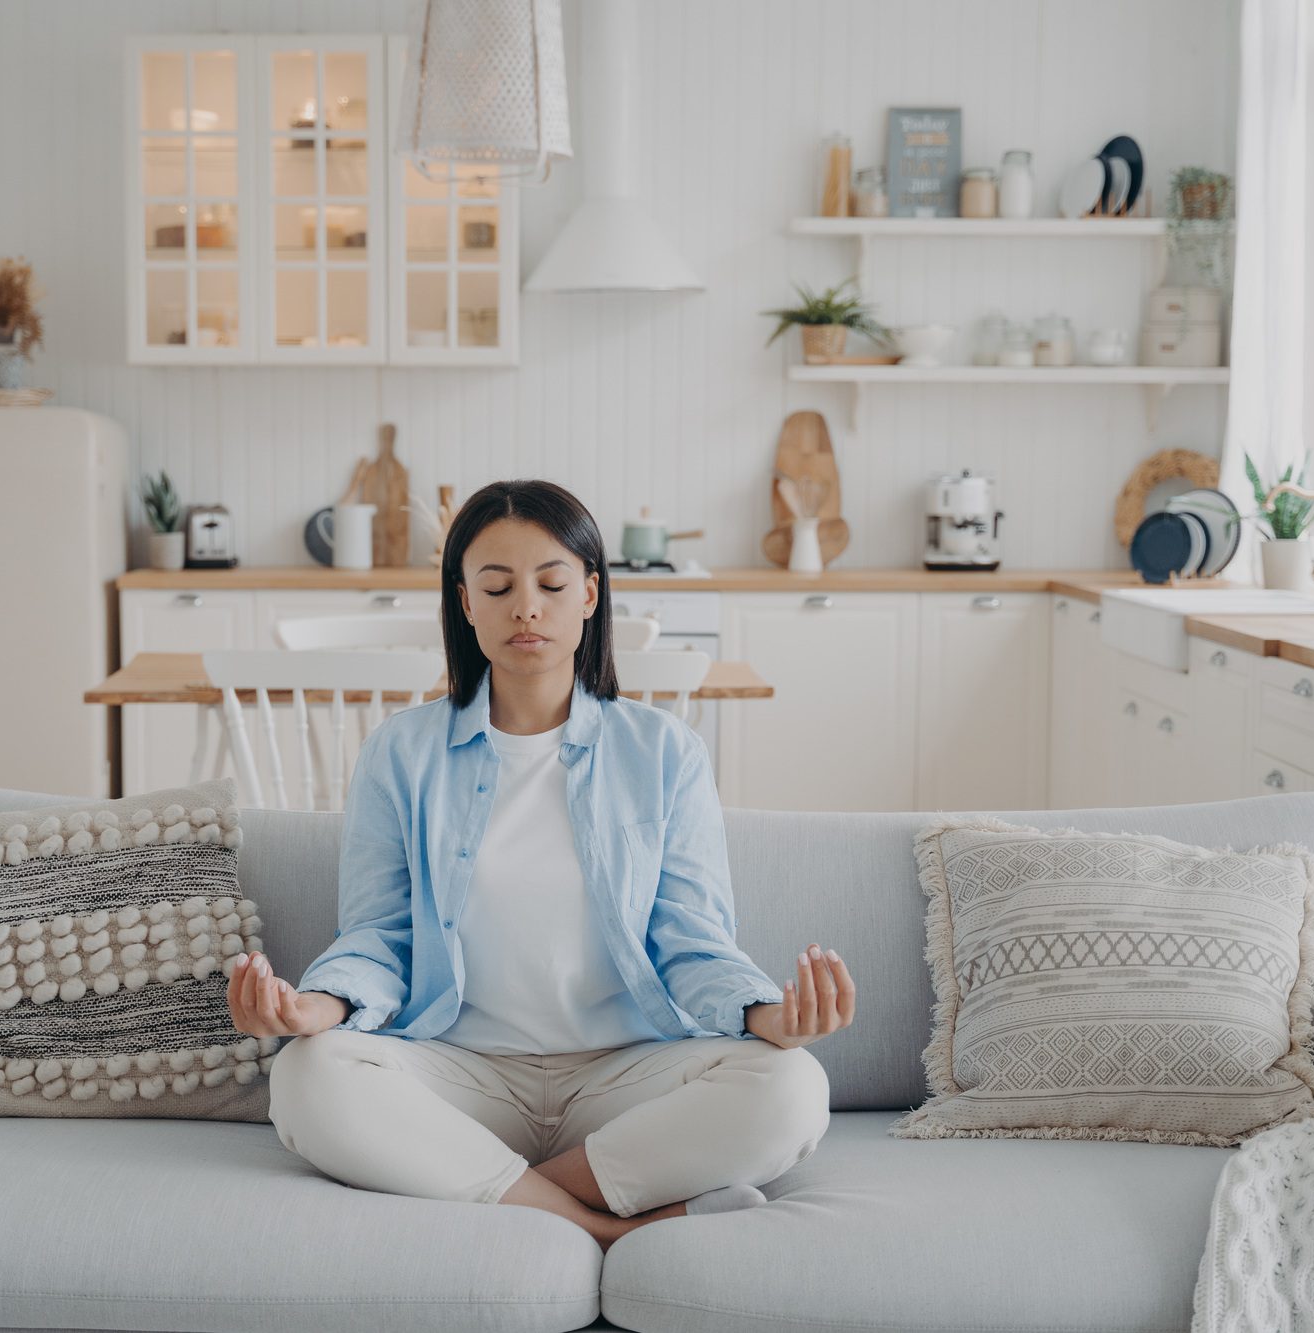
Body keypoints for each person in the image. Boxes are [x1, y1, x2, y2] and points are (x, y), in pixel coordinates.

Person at [233, 479, 856, 1254]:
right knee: (307, 1077)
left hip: (623, 1076)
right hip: (459, 1071)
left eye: (551, 583)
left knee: (793, 1087)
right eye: (496, 585)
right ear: (465, 602)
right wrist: (313, 1009)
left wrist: (770, 1016)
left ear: (590, 594)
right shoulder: (402, 752)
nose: (525, 606)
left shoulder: (664, 752)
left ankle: (491, 1186)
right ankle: (603, 1222)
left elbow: (691, 938)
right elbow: (380, 935)